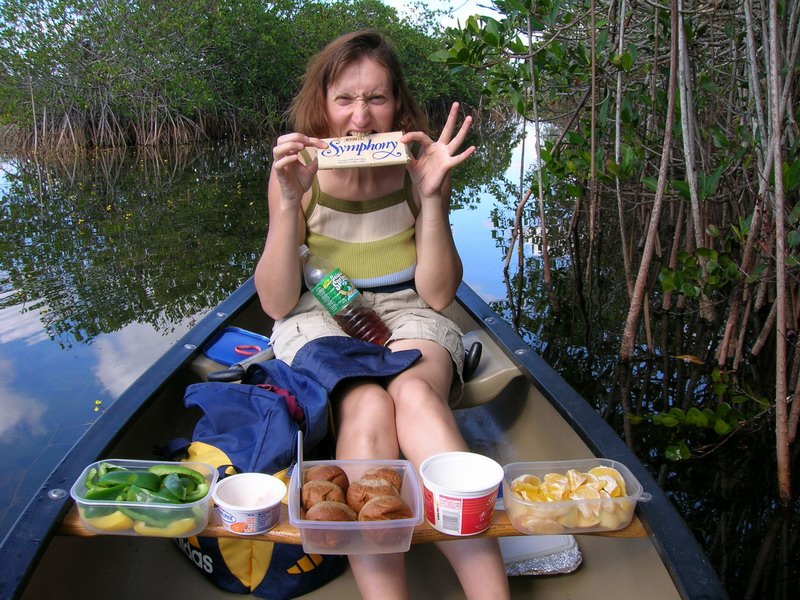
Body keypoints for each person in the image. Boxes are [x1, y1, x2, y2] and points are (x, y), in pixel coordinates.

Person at [254, 30, 510, 600]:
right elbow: (274, 302)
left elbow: (440, 295)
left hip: (409, 309)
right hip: (318, 313)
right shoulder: (297, 173)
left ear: (398, 104)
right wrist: (290, 203)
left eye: (377, 99)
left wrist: (435, 196)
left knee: (416, 398)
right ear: (321, 103)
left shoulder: (417, 171)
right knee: (367, 402)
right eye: (345, 99)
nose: (361, 119)